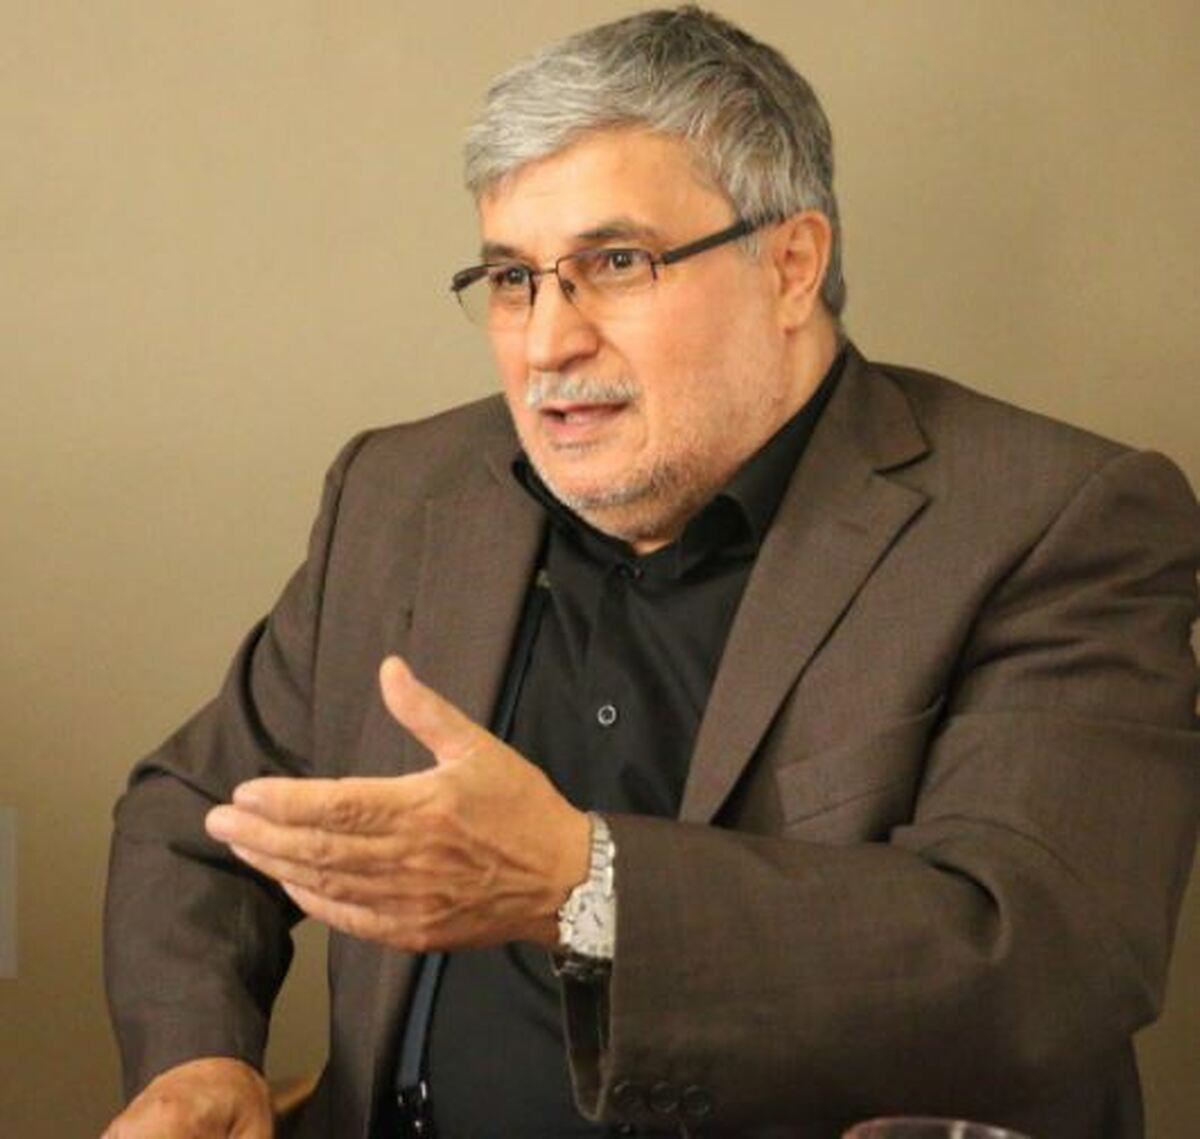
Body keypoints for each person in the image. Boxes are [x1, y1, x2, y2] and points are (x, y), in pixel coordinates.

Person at [102, 7, 1199, 1139]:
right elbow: (193, 815)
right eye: (513, 278)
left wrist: (581, 882)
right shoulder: (401, 491)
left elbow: (1040, 960)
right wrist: (197, 1058)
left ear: (792, 265)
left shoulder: (1053, 518)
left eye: (616, 264)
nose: (547, 342)